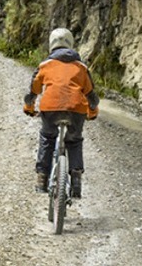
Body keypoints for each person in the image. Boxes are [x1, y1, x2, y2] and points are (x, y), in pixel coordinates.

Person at [23, 28, 99, 198]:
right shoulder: (81, 67)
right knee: (74, 141)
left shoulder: (44, 66)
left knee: (47, 138)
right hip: (76, 110)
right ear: (71, 44)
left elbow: (32, 91)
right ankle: (76, 181)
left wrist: (29, 108)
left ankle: (42, 179)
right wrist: (92, 112)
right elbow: (91, 96)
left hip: (50, 109)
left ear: (51, 45)